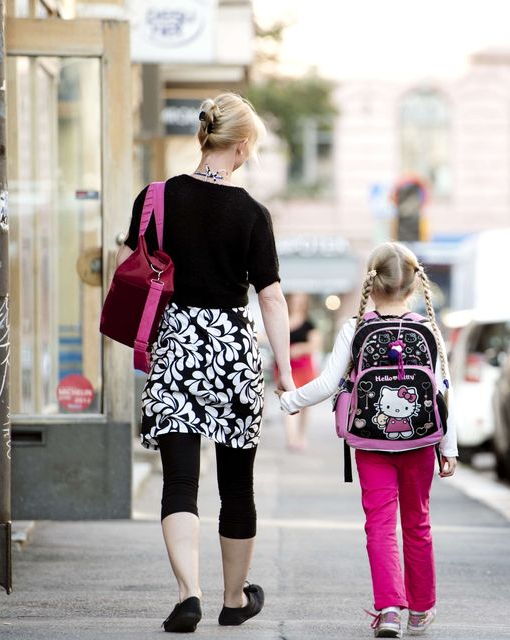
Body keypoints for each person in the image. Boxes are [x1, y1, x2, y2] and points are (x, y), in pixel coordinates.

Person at [117, 93, 295, 633]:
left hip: (175, 346)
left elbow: (139, 263)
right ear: (241, 145)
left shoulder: (156, 198)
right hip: (232, 352)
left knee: (180, 481)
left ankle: (188, 593)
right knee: (237, 484)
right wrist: (285, 369)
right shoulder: (252, 214)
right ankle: (235, 597)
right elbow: (270, 299)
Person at [278, 242, 458, 639]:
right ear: (412, 285)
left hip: (370, 445)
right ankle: (421, 609)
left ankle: (390, 609)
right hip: (421, 443)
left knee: (379, 524)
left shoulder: (355, 328)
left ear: (371, 282)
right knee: (417, 523)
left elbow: (327, 384)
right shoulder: (427, 328)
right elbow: (443, 390)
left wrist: (289, 401)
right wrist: (449, 447)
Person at [280, 293, 319, 451]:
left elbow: (314, 344)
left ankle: (301, 435)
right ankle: (292, 438)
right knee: (288, 400)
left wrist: (300, 348)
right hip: (286, 367)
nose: (296, 303)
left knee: (305, 404)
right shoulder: (282, 320)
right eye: (294, 300)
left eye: (299, 301)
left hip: (304, 367)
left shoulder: (309, 324)